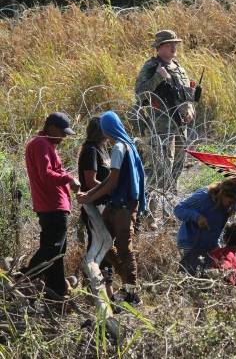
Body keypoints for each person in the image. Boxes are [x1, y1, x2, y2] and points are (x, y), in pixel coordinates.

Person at [77, 111, 146, 306]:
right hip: (120, 204)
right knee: (105, 243)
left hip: (121, 206)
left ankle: (132, 294)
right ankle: (125, 281)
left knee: (124, 250)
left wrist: (89, 195)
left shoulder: (118, 147)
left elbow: (112, 182)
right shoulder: (127, 145)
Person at [22, 112, 80, 299]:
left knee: (58, 251)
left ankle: (56, 292)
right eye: (62, 133)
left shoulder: (46, 144)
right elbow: (46, 175)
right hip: (51, 206)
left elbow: (52, 172)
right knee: (53, 249)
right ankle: (25, 278)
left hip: (53, 205)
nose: (64, 137)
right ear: (52, 128)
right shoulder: (40, 144)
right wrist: (68, 178)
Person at [135, 29, 196, 197]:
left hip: (180, 122)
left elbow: (187, 95)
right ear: (159, 47)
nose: (173, 47)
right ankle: (156, 199)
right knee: (163, 163)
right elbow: (140, 93)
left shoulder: (179, 68)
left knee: (179, 160)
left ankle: (170, 195)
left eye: (175, 44)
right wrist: (158, 77)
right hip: (161, 124)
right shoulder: (151, 67)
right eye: (170, 44)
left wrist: (190, 109)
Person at [174, 178, 236, 275]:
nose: (232, 205)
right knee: (192, 274)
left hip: (209, 245)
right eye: (231, 201)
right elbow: (178, 209)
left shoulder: (228, 202)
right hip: (190, 243)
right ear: (223, 193)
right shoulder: (203, 197)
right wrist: (197, 217)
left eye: (234, 202)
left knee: (213, 273)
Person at [77, 117, 113, 298]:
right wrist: (110, 190)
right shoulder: (91, 151)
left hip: (102, 204)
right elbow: (91, 182)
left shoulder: (101, 149)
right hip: (94, 206)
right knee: (101, 248)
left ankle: (99, 291)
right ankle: (99, 292)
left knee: (104, 247)